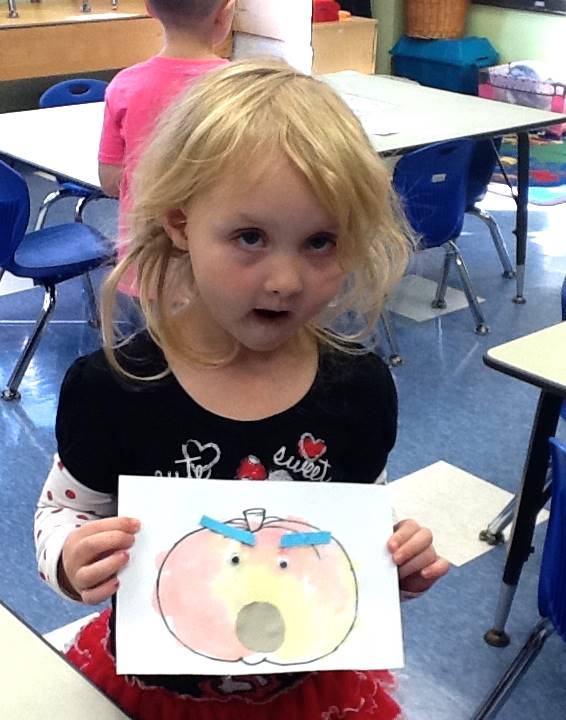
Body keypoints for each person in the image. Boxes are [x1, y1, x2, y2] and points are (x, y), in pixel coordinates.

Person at [35, 59, 450, 720]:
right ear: (180, 224)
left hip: (303, 690)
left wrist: (392, 561)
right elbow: (62, 512)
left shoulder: (358, 389)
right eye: (249, 237)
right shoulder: (116, 387)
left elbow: (353, 522)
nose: (285, 280)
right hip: (154, 691)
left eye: (320, 242)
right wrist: (69, 557)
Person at [98, 0, 234, 295]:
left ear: (150, 8)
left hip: (144, 261)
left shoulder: (125, 85)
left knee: (151, 338)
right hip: (218, 263)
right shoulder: (240, 88)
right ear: (226, 12)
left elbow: (109, 181)